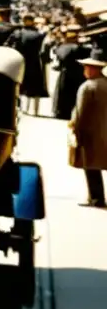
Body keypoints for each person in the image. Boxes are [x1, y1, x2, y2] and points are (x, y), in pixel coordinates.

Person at [69, 48, 107, 208]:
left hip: (90, 133)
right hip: (103, 133)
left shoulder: (87, 87)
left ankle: (96, 198)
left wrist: (75, 130)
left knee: (90, 166)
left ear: (92, 69)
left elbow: (80, 112)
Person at [10, 14, 49, 115]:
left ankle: (24, 109)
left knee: (23, 86)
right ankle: (35, 110)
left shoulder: (18, 33)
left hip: (22, 62)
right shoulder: (39, 34)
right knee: (36, 87)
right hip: (35, 63)